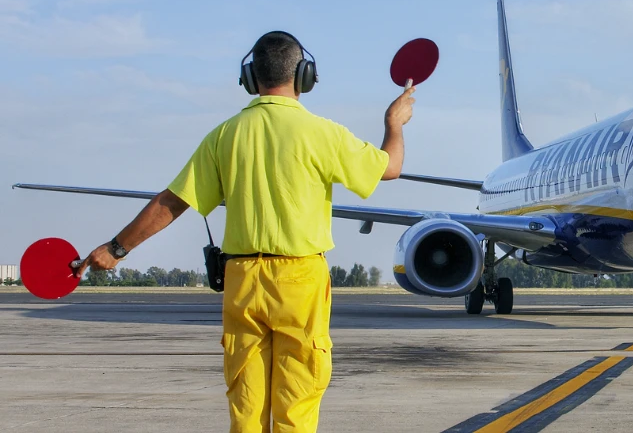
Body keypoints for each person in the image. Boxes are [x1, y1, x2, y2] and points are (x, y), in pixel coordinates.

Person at [74, 30, 415, 432]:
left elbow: (172, 202)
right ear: (304, 76)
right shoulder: (323, 133)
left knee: (246, 406)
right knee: (297, 403)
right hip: (301, 278)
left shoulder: (224, 135)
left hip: (242, 279)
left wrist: (116, 248)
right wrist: (394, 124)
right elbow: (389, 168)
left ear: (251, 78)